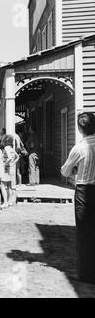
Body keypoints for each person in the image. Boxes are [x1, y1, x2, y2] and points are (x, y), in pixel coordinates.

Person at [61, 112, 95, 284]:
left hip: (85, 190)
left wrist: (74, 169)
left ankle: (87, 273)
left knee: (84, 232)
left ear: (80, 128)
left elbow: (65, 171)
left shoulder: (80, 148)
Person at [1, 134, 19, 208]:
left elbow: (9, 158)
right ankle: (10, 201)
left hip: (7, 169)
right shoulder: (12, 149)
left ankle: (6, 202)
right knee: (10, 186)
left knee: (3, 185)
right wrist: (13, 164)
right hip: (12, 168)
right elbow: (17, 157)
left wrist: (4, 164)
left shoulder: (6, 148)